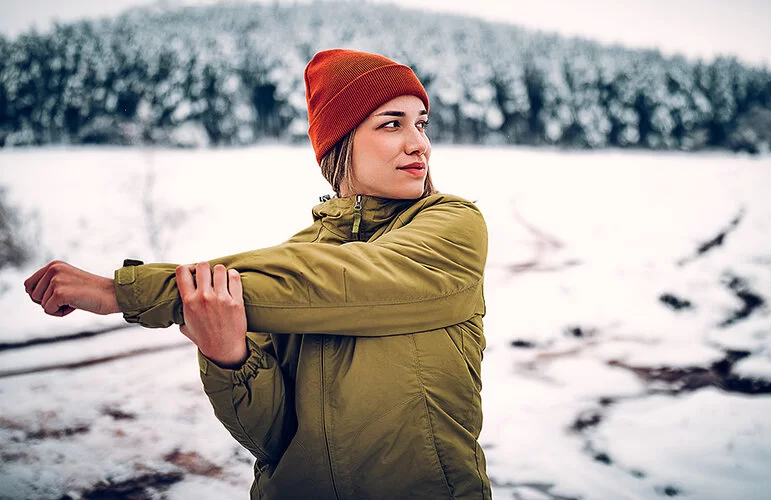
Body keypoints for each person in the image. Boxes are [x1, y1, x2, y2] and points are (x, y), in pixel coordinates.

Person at [24, 49, 490, 499]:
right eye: (392, 124)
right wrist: (228, 357)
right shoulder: (289, 263)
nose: (419, 143)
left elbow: (345, 280)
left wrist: (126, 292)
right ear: (340, 141)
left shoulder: (452, 227)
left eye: (421, 124)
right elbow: (274, 439)